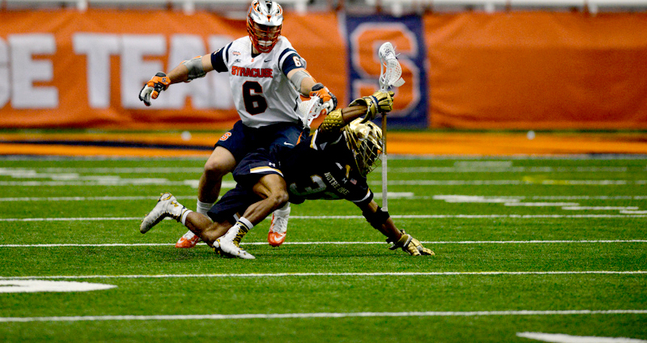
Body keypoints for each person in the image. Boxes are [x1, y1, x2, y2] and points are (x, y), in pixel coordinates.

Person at [140, 90, 434, 260]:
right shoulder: (330, 145)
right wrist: (367, 105)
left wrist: (403, 239)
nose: (370, 158)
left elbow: (375, 215)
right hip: (264, 161)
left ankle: (172, 207)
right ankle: (237, 238)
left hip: (264, 189)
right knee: (279, 196)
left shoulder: (354, 182)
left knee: (211, 234)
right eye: (368, 150)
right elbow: (332, 121)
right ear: (354, 144)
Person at [138, 0, 336, 249]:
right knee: (213, 167)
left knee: (283, 165)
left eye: (272, 28)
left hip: (283, 126)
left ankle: (282, 213)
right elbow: (198, 65)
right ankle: (202, 223)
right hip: (250, 126)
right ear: (251, 25)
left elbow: (299, 77)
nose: (267, 33)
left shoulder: (284, 51)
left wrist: (318, 89)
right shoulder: (236, 50)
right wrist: (166, 78)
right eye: (262, 27)